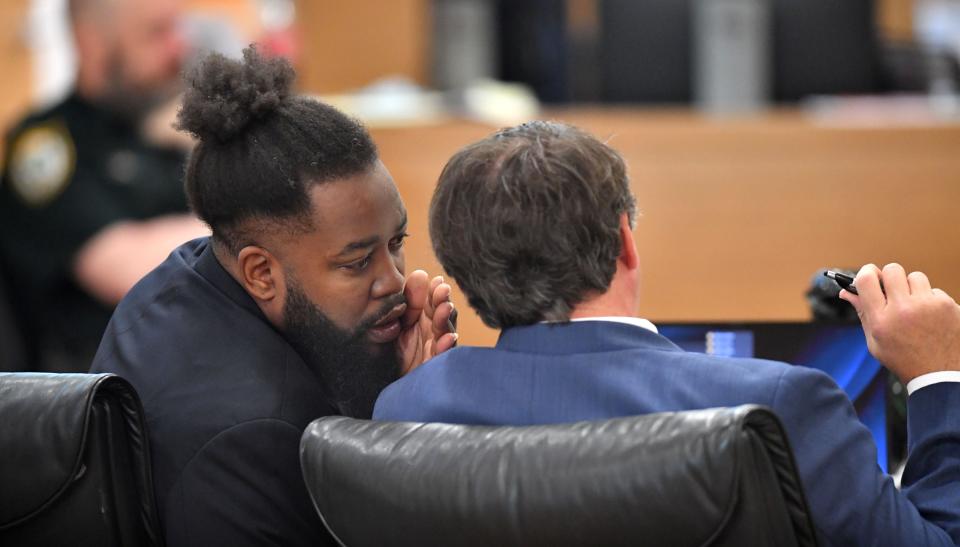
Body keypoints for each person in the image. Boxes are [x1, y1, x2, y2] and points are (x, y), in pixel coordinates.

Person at [374, 121, 960, 546]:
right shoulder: (779, 407)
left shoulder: (410, 406)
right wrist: (937, 373)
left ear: (464, 269)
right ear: (625, 239)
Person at [91, 48, 457, 545]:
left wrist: (384, 390)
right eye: (355, 262)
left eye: (395, 244)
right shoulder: (264, 434)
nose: (393, 280)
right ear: (260, 272)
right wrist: (402, 434)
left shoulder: (182, 276)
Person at [0, 0, 207, 371]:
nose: (179, 47)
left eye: (177, 29)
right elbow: (131, 270)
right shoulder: (48, 147)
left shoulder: (164, 129)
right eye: (156, 33)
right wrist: (246, 220)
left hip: (194, 366)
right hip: (106, 397)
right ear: (91, 42)